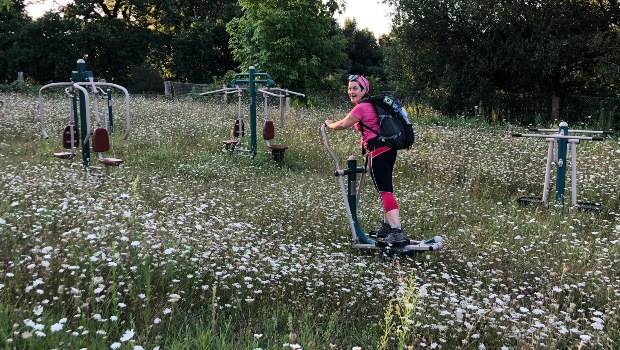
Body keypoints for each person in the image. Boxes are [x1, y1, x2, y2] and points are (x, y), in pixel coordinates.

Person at [325, 75, 408, 247]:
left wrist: (329, 124)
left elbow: (342, 125)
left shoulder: (362, 107)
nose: (351, 92)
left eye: (355, 88)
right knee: (386, 189)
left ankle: (397, 231)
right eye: (349, 88)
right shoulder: (372, 106)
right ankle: (387, 227)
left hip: (379, 152)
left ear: (364, 90)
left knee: (385, 191)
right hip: (386, 151)